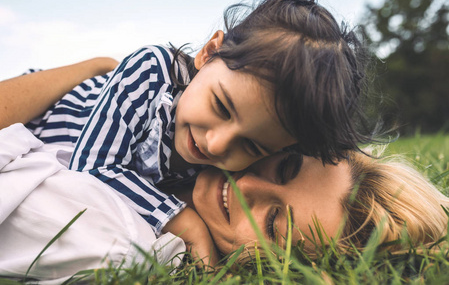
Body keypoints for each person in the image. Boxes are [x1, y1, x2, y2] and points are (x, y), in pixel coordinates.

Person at [0, 0, 374, 264]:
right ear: (210, 52)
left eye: (253, 146)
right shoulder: (150, 73)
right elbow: (92, 167)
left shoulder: (222, 167)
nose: (216, 144)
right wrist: (182, 220)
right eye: (220, 106)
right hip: (39, 117)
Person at [1, 123, 447, 283]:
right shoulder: (177, 137)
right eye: (285, 167)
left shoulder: (119, 240)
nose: (249, 183)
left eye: (274, 224)